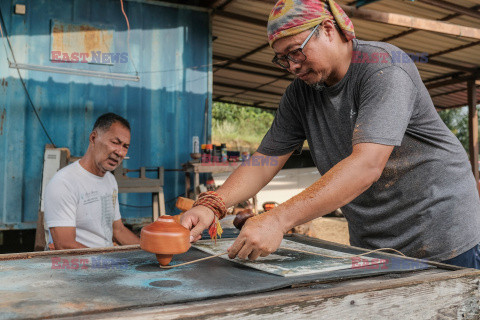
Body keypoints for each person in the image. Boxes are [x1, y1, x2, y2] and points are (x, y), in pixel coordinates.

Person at [181, 0, 480, 269]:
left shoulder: (383, 68)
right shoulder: (300, 94)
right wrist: (214, 203)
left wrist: (278, 218)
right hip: (373, 241)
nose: (293, 66)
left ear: (327, 28)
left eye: (296, 51)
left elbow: (366, 166)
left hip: (441, 231)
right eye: (283, 59)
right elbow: (265, 160)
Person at [44, 113, 140, 249]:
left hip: (102, 262)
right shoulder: (64, 183)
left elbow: (119, 230)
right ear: (93, 138)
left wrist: (149, 252)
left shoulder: (110, 180)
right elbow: (64, 245)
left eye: (125, 146)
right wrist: (107, 264)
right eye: (115, 142)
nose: (120, 152)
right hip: (76, 267)